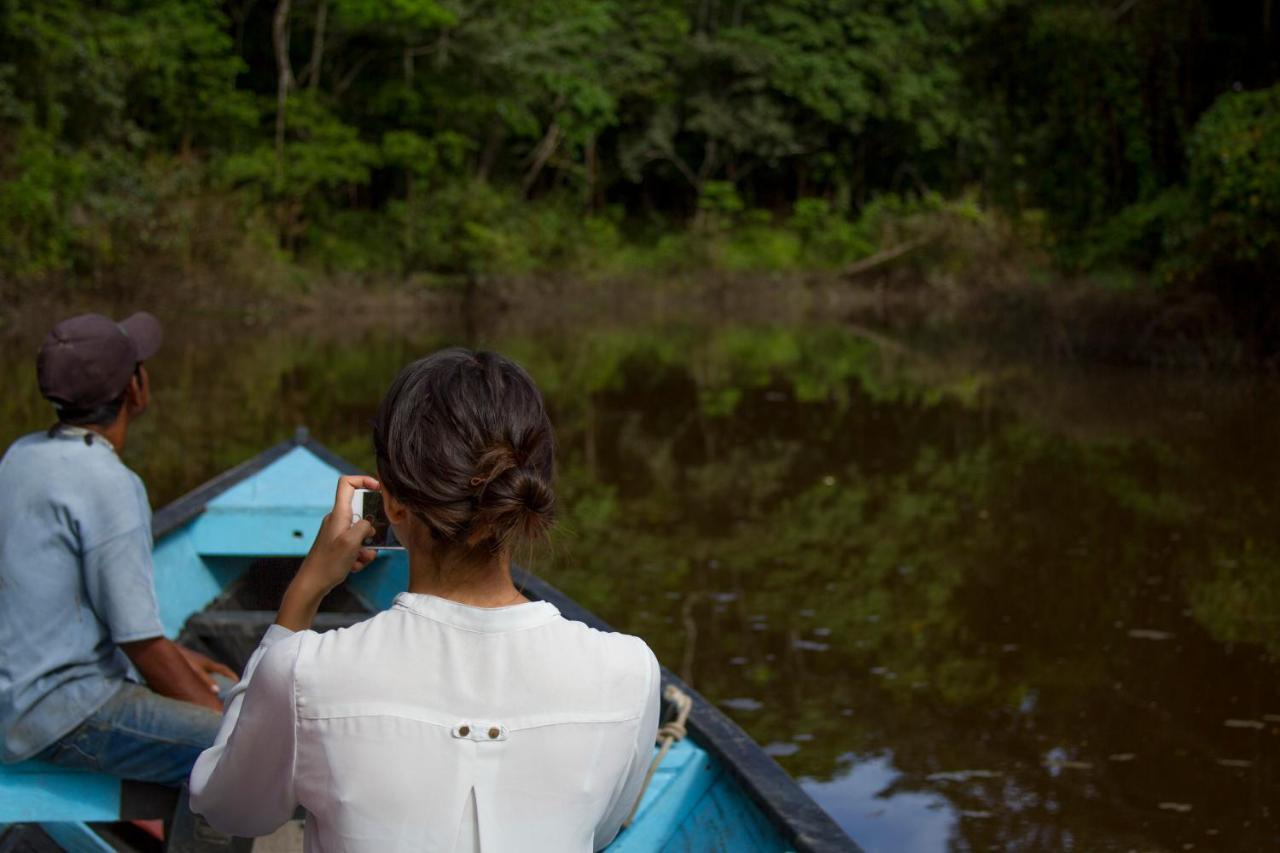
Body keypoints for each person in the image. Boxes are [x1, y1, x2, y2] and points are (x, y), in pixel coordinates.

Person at [189, 348, 661, 852]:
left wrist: (302, 596)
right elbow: (602, 826)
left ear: (391, 502)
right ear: (529, 488)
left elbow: (230, 807)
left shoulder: (305, 671)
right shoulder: (628, 670)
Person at [0, 312, 237, 786]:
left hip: (17, 695)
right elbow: (138, 641)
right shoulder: (111, 484)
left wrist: (187, 666)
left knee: (228, 691)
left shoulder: (20, 454)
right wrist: (223, 722)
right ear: (135, 389)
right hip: (58, 713)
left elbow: (105, 622)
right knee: (237, 749)